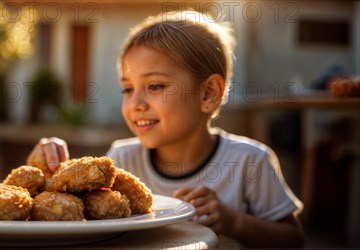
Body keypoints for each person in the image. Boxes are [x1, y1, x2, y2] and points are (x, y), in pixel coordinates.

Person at [27, 11, 305, 248]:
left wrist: (234, 221)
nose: (135, 104)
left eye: (155, 86)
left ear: (208, 94)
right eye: (127, 88)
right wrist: (44, 171)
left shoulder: (249, 161)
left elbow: (293, 239)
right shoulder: (122, 160)